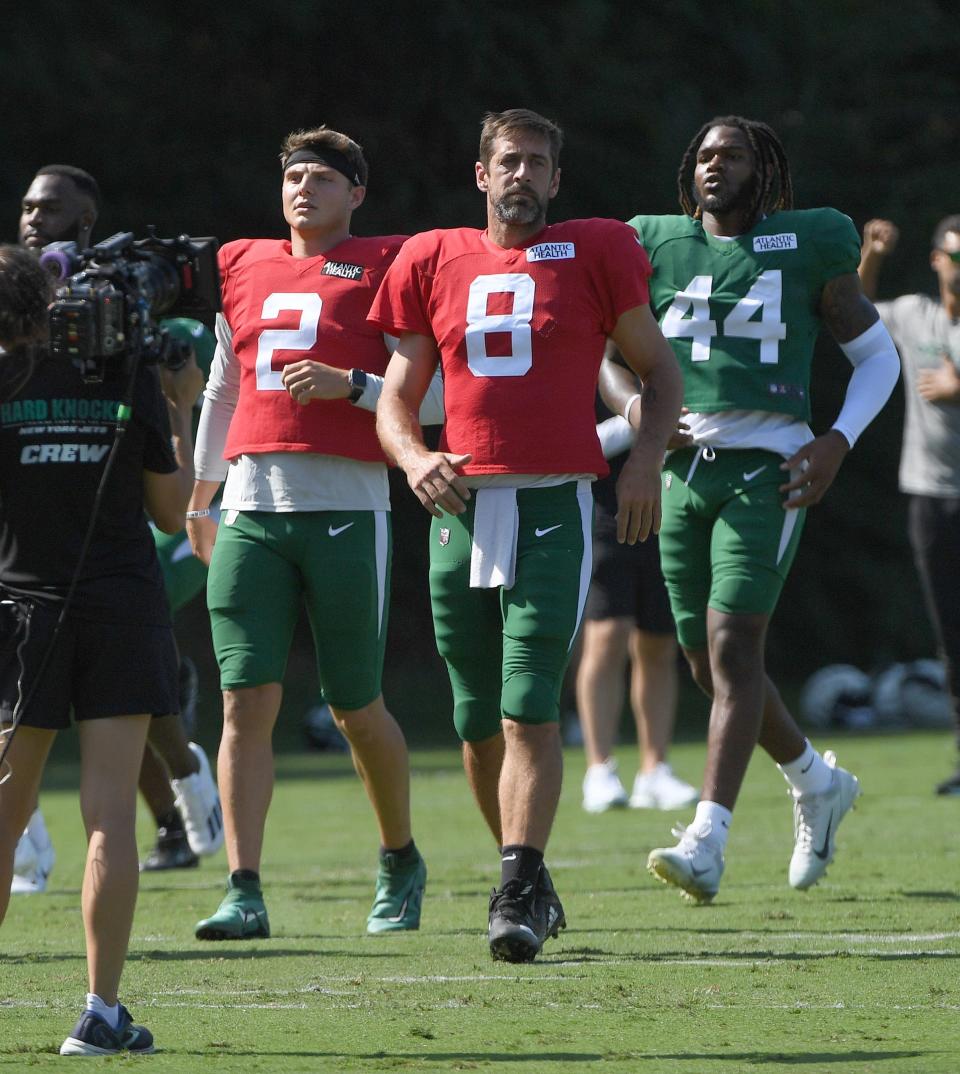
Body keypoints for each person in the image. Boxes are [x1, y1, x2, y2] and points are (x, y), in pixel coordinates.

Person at [371, 108, 683, 962]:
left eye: (538, 163)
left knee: (527, 705)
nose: (522, 175)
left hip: (551, 500)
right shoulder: (432, 258)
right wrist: (412, 459)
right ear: (482, 175)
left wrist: (646, 462)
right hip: (459, 504)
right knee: (476, 719)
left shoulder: (595, 250)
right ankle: (526, 877)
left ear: (556, 179)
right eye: (508, 161)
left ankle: (515, 881)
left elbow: (659, 372)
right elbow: (397, 400)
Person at [603, 115, 899, 904]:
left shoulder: (811, 241)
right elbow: (610, 362)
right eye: (703, 153)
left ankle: (708, 838)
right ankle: (814, 778)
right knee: (707, 664)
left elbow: (877, 355)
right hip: (682, 473)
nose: (714, 166)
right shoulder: (652, 244)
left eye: (731, 154)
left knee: (734, 647)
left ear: (761, 168)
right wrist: (638, 415)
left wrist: (835, 441)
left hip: (770, 468)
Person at [186, 125, 426, 941]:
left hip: (348, 505)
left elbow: (426, 398)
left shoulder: (389, 265)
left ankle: (399, 855)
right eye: (293, 175)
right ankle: (242, 885)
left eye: (323, 177)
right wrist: (200, 496)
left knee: (354, 703)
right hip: (251, 505)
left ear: (356, 193)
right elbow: (222, 389)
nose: (303, 189)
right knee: (242, 699)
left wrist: (352, 385)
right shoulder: (242, 263)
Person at [0, 243, 202, 1055]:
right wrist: (180, 402)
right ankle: (100, 1012)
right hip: (120, 608)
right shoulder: (124, 378)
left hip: (21, 616)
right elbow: (169, 512)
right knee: (109, 814)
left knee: (6, 813)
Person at [10, 168, 223, 889]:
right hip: (27, 546)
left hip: (121, 538)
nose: (36, 221)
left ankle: (185, 785)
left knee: (133, 706)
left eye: (53, 210)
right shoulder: (14, 299)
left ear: (88, 219)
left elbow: (167, 485)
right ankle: (30, 842)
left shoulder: (124, 306)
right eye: (29, 209)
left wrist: (176, 399)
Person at [858, 216, 960, 794]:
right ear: (936, 260)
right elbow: (859, 308)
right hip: (929, 493)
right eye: (955, 257)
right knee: (951, 631)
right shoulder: (916, 314)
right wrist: (871, 254)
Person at [578, 378, 698, 813]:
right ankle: (599, 769)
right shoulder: (589, 365)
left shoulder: (665, 357)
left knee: (658, 642)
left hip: (665, 504)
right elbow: (578, 444)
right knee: (607, 636)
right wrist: (647, 422)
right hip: (605, 508)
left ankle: (655, 770)